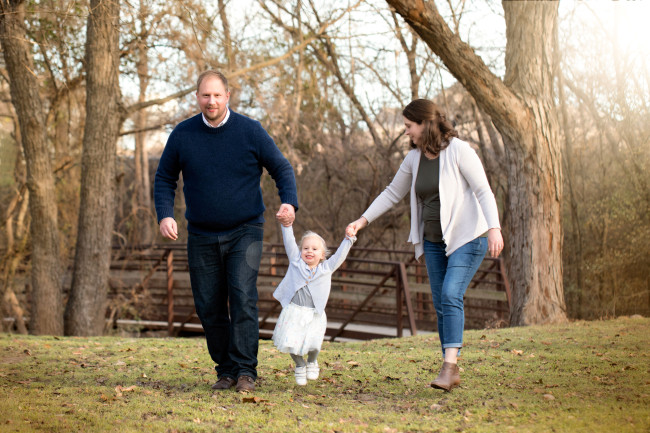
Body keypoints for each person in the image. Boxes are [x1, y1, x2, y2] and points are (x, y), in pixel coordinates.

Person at [154, 70, 299, 393]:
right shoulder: (183, 134)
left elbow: (281, 168)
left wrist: (289, 202)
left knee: (242, 296)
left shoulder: (250, 131)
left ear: (228, 96)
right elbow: (165, 177)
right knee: (209, 304)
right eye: (206, 95)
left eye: (217, 95)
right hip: (201, 234)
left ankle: (247, 370)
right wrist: (165, 215)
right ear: (197, 98)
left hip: (245, 230)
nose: (212, 101)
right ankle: (227, 369)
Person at [346, 99, 503, 392]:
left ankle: (449, 367)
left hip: (469, 237)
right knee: (441, 304)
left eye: (408, 126)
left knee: (450, 293)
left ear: (424, 123)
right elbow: (392, 193)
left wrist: (494, 227)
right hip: (432, 241)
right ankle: (451, 367)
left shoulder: (459, 151)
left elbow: (483, 189)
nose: (406, 132)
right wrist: (362, 221)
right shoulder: (414, 159)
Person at [272, 220, 356, 385]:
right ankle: (300, 364)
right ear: (300, 251)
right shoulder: (296, 263)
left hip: (314, 314)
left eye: (315, 249)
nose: (309, 251)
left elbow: (340, 255)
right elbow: (289, 241)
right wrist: (286, 225)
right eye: (306, 248)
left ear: (322, 255)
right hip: (294, 312)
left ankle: (311, 361)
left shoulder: (326, 269)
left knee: (314, 345)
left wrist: (348, 239)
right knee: (291, 344)